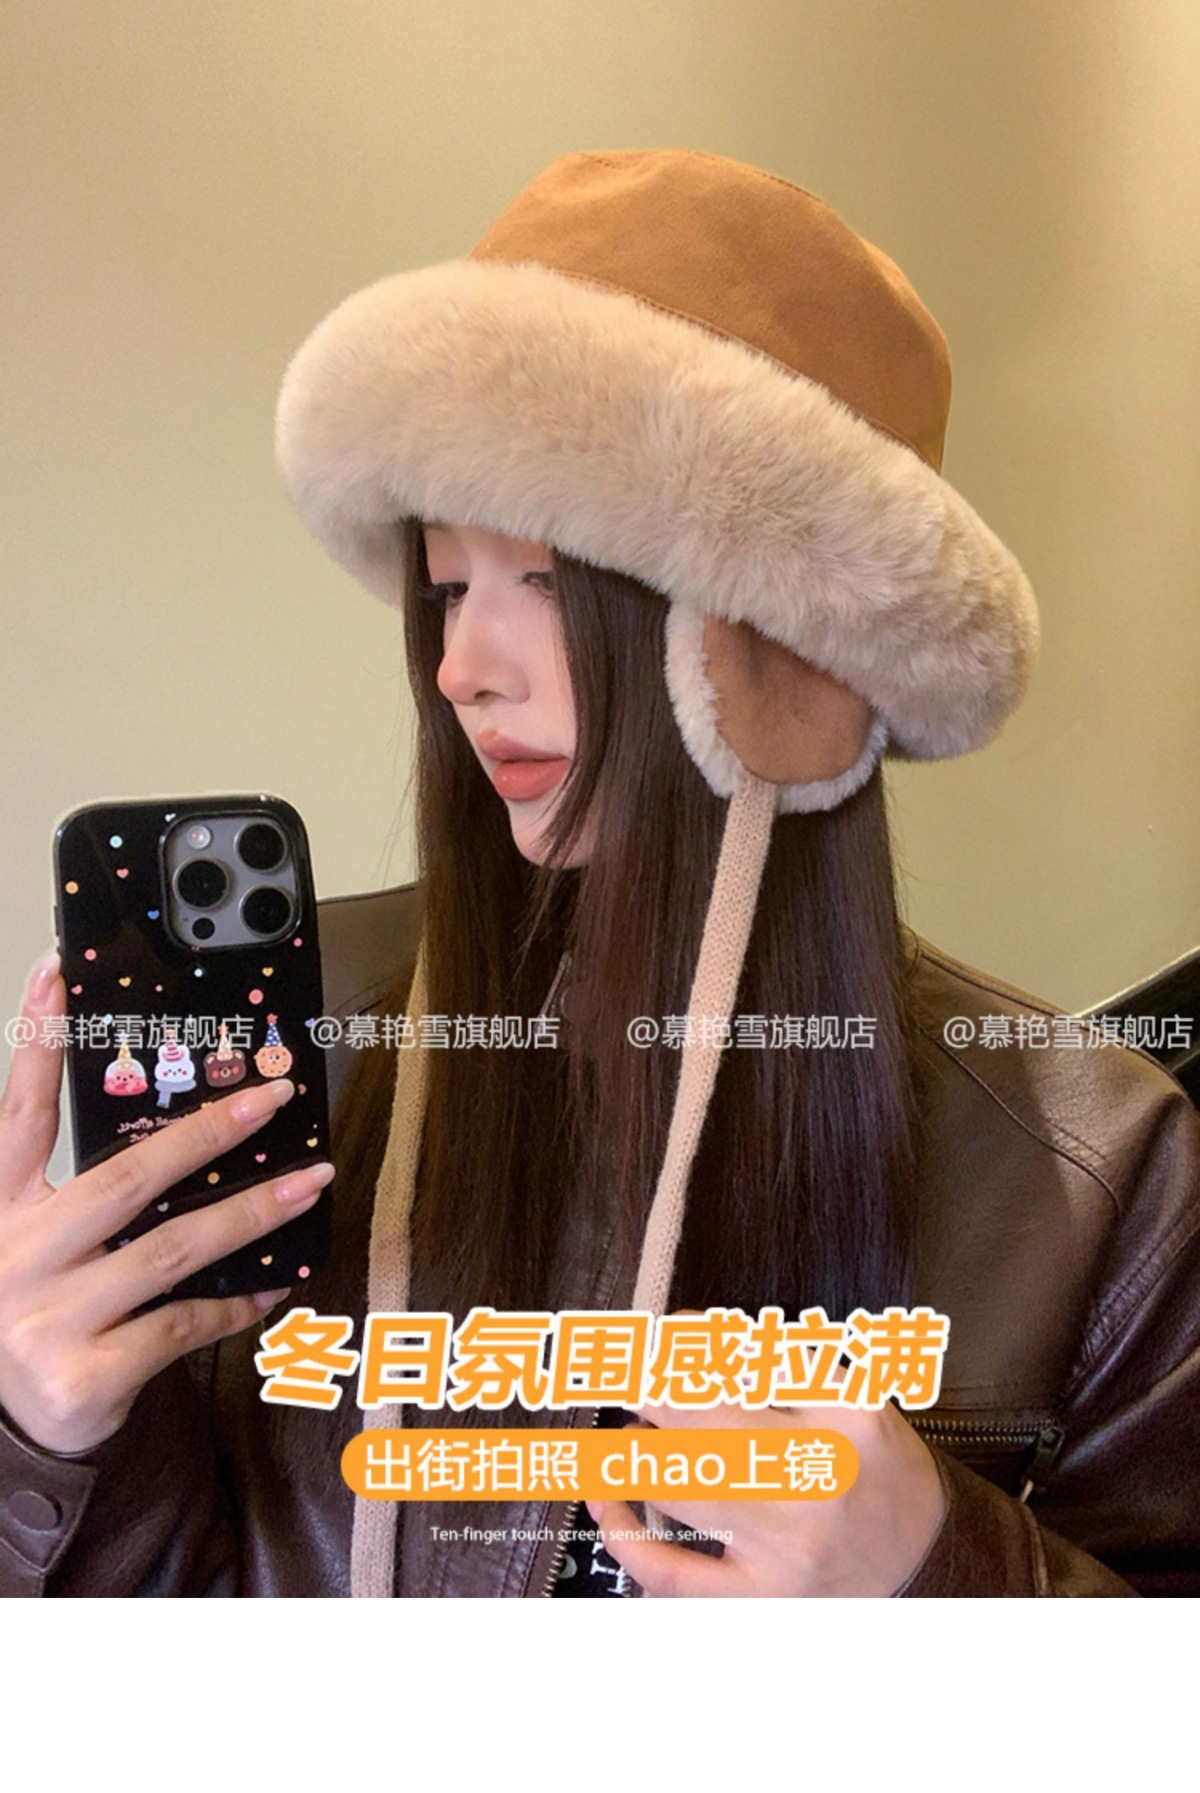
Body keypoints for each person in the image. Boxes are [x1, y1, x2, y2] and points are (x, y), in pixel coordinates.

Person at [2, 149, 1199, 1598]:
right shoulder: (299, 1046)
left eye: (548, 582)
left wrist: (946, 1581)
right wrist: (39, 1442)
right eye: (446, 586)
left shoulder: (1094, 1166)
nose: (459, 667)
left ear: (785, 639)